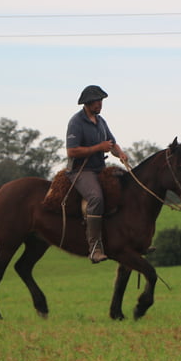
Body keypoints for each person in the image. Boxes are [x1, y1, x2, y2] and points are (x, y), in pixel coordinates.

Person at [66, 84, 128, 263]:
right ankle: (94, 248)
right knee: (96, 198)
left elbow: (112, 144)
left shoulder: (101, 122)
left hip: (100, 168)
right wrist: (98, 148)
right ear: (87, 103)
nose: (100, 104)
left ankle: (128, 239)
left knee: (125, 188)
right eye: (96, 101)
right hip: (81, 170)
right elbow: (72, 151)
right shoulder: (76, 122)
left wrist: (120, 154)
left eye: (101, 100)